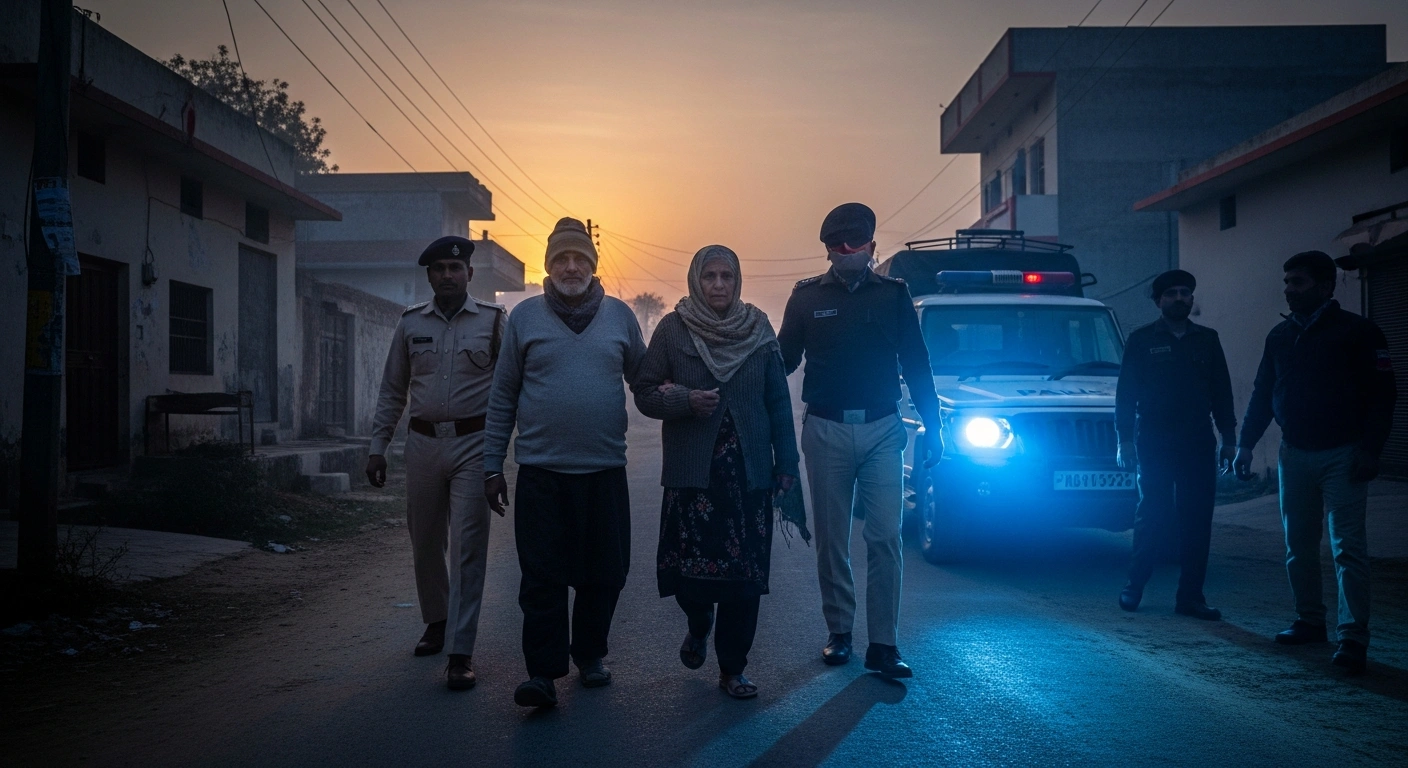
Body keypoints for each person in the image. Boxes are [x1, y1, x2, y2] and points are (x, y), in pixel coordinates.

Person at [483, 217, 647, 707]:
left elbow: (646, 382)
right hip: (541, 473)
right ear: (548, 266)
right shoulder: (525, 318)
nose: (571, 267)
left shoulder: (620, 317)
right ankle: (543, 674)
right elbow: (502, 396)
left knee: (605, 572)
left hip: (603, 470)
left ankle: (591, 655)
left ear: (593, 266)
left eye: (580, 259)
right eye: (561, 260)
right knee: (541, 576)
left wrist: (687, 399)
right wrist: (493, 466)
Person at [777, 202, 941, 679]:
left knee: (885, 536)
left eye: (854, 244)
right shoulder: (806, 298)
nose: (845, 252)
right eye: (835, 246)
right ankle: (840, 634)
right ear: (827, 249)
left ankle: (884, 645)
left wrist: (935, 427)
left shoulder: (893, 295)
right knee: (832, 539)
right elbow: (782, 361)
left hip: (882, 430)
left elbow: (917, 364)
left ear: (872, 245)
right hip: (825, 429)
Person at [632, 244, 799, 699]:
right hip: (694, 479)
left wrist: (787, 463)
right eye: (711, 277)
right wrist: (682, 401)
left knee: (745, 583)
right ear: (696, 280)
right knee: (692, 582)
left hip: (748, 479)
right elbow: (644, 393)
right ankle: (698, 621)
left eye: (727, 276)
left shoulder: (758, 329)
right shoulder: (673, 329)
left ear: (737, 280)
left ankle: (733, 670)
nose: (719, 285)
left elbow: (778, 403)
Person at [1234, 250, 1397, 674]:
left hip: (1344, 453)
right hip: (1295, 454)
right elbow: (1263, 392)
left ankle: (1352, 637)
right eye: (1287, 282)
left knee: (1348, 549)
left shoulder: (1358, 332)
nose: (1288, 290)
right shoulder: (1279, 337)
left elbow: (1383, 397)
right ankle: (1310, 621)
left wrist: (1370, 451)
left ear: (1325, 286)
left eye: (1298, 282)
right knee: (1298, 547)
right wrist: (1246, 445)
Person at [365, 235, 505, 691]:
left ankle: (461, 651)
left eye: (455, 268)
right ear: (429, 276)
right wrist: (377, 445)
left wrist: (499, 457)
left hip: (474, 445)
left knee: (468, 547)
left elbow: (509, 392)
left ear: (469, 274)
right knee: (425, 541)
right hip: (422, 445)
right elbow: (392, 390)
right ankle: (437, 621)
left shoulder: (493, 322)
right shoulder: (410, 324)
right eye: (439, 268)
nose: (448, 275)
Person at [1114, 269, 1235, 621]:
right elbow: (1126, 396)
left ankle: (1191, 596)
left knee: (1197, 519)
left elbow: (1222, 393)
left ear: (1191, 299)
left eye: (1185, 293)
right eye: (1172, 294)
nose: (1180, 298)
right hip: (1153, 441)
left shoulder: (1208, 340)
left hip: (1198, 442)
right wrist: (1124, 441)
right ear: (1158, 301)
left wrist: (1229, 439)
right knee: (1152, 514)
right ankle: (1134, 585)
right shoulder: (1141, 340)